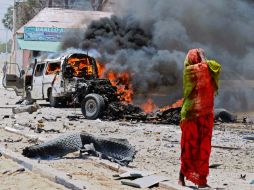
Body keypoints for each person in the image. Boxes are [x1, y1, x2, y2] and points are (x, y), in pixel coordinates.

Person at [179, 48, 221, 187]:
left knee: (204, 149)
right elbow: (204, 67)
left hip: (205, 114)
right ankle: (182, 176)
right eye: (198, 56)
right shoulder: (189, 71)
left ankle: (202, 180)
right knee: (188, 147)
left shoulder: (206, 68)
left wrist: (203, 58)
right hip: (191, 115)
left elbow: (216, 67)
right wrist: (202, 55)